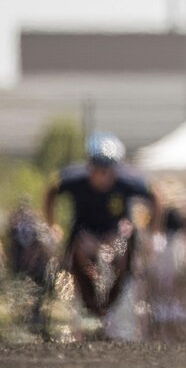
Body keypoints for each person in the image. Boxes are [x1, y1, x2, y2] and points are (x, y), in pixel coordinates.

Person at [43, 132, 160, 318]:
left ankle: (110, 304)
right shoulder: (75, 179)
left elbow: (154, 194)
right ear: (89, 166)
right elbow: (51, 190)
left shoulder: (127, 181)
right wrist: (52, 225)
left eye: (106, 169)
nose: (101, 175)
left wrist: (154, 232)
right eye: (96, 167)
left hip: (116, 232)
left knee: (123, 253)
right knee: (78, 254)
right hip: (84, 231)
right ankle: (90, 304)